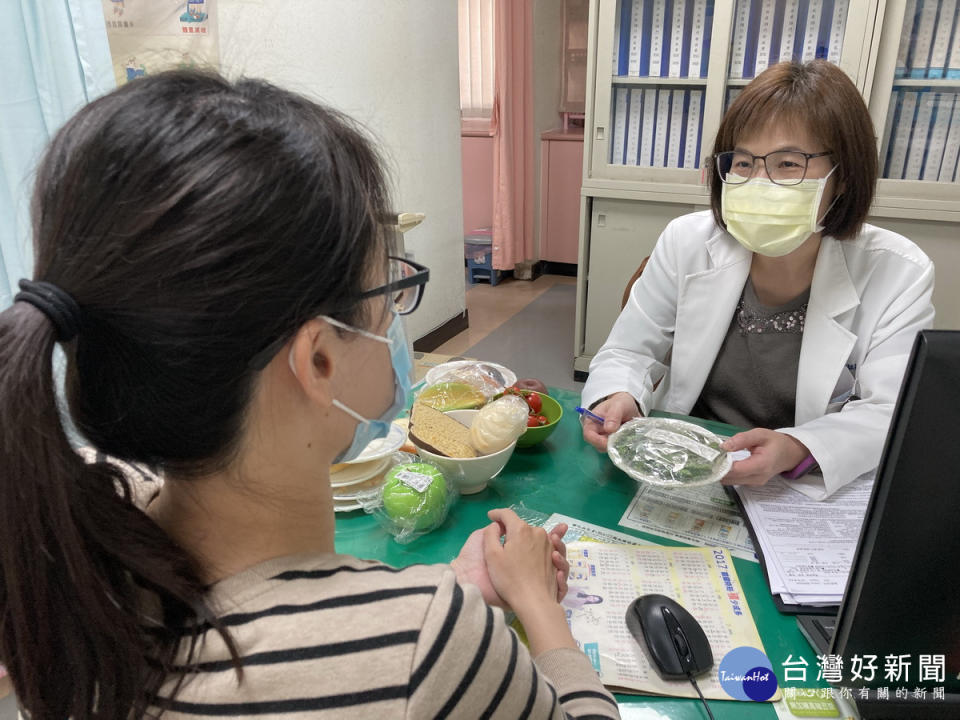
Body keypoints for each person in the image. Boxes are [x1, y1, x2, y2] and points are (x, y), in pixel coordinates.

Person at [0, 72, 620, 720]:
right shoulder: (426, 648)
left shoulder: (79, 532)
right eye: (386, 289)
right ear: (319, 359)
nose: (394, 316)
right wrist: (540, 610)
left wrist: (445, 590)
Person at [581, 60, 934, 500]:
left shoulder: (897, 269)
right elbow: (629, 349)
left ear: (842, 176)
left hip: (797, 485)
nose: (759, 182)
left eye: (788, 163)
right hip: (688, 463)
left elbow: (891, 410)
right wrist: (618, 397)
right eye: (744, 162)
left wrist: (796, 447)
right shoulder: (687, 240)